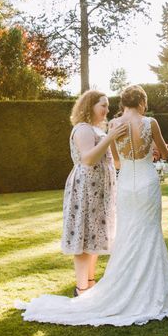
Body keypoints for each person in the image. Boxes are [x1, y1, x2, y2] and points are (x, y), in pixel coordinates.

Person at [17, 86, 168, 326]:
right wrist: (154, 153)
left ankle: (112, 286)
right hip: (146, 182)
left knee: (127, 234)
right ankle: (142, 288)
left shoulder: (113, 126)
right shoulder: (150, 122)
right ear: (143, 102)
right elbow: (164, 153)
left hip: (125, 185)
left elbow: (116, 161)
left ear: (123, 103)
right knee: (149, 232)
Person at [59, 90, 126, 296]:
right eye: (102, 105)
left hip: (101, 191)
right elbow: (88, 159)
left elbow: (115, 162)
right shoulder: (83, 129)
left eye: (107, 105)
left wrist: (114, 139)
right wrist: (110, 137)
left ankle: (90, 283)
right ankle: (81, 288)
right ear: (90, 107)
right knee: (84, 239)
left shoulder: (100, 131)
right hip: (85, 189)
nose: (107, 109)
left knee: (95, 238)